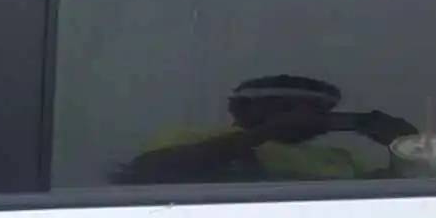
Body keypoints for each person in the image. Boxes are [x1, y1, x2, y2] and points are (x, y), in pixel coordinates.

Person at [114, 74, 417, 184]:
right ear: (240, 109)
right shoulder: (190, 138)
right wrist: (262, 136)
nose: (306, 117)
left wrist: (405, 148)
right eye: (289, 107)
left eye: (317, 111)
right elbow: (147, 175)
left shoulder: (340, 159)